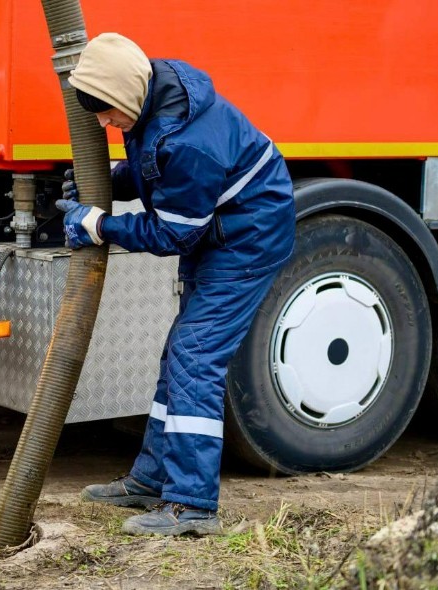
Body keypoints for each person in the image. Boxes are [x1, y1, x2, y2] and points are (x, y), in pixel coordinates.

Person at [56, 33, 296, 536]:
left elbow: (173, 232)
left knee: (195, 358)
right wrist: (111, 182)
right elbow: (155, 167)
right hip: (221, 229)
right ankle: (152, 479)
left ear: (127, 97)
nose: (104, 125)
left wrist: (99, 225)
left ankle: (192, 507)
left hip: (246, 240)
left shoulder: (191, 141)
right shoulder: (150, 94)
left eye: (107, 115)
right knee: (180, 356)